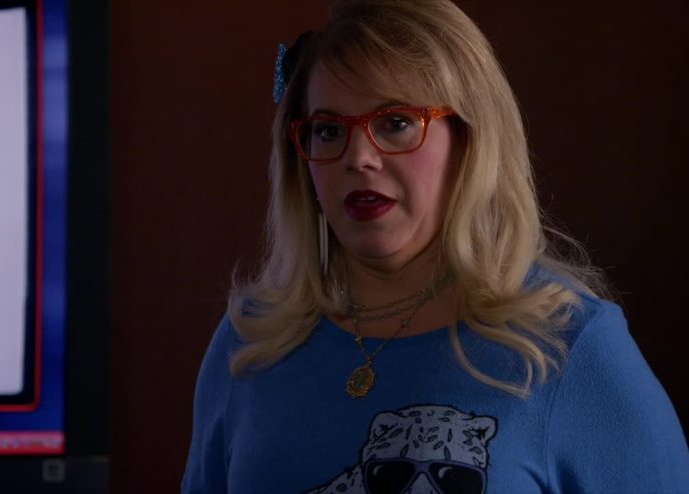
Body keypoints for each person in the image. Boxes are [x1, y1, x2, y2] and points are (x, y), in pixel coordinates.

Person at [182, 0, 689, 492]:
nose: (358, 158)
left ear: (470, 141)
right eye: (329, 130)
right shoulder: (251, 342)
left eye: (396, 123)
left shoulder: (567, 347)